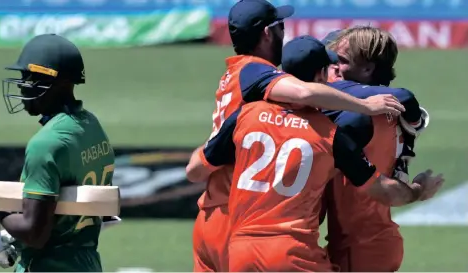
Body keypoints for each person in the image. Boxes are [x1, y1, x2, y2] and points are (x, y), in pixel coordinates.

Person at [186, 1, 407, 272]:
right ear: (267, 33)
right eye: (280, 26)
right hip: (243, 219)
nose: (284, 32)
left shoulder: (239, 87)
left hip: (211, 216)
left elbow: (195, 170)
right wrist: (367, 105)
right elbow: (304, 93)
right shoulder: (257, 73)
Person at [184, 74, 444, 271]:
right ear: (320, 78)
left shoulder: (248, 114)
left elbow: (195, 170)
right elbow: (385, 191)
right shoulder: (330, 135)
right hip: (294, 253)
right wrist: (419, 190)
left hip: (240, 250)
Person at [0, 34, 119, 272]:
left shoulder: (46, 144)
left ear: (58, 82)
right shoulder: (91, 126)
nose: (21, 85)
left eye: (30, 78)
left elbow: (35, 232)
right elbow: (78, 212)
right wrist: (13, 240)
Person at [317, 26, 430, 272]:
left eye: (341, 61)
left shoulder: (361, 115)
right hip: (374, 240)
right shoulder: (385, 109)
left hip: (359, 249)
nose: (333, 67)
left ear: (367, 69)